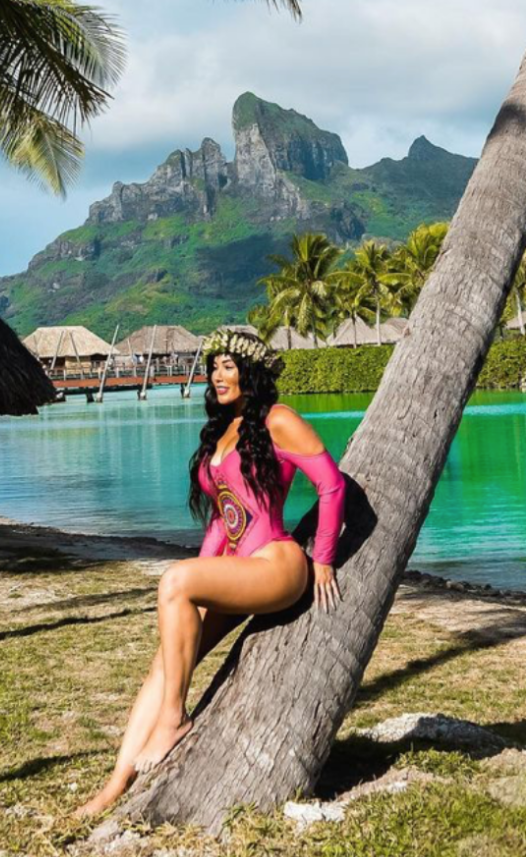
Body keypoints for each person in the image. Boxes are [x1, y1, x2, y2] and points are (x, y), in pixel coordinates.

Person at [74, 327, 345, 818]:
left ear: (251, 372)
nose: (218, 375)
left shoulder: (278, 419)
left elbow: (331, 486)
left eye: (228, 366)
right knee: (166, 659)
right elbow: (223, 519)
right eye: (214, 366)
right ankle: (113, 787)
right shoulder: (224, 432)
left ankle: (173, 720)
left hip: (279, 566)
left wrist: (323, 558)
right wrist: (201, 577)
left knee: (174, 581)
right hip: (238, 570)